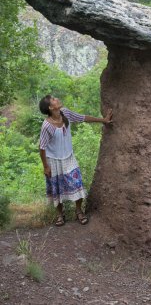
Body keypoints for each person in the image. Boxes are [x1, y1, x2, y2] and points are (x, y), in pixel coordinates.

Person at [39, 94, 112, 227]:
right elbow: (42, 147)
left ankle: (79, 211)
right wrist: (46, 167)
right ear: (50, 107)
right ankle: (60, 215)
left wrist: (103, 120)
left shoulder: (65, 113)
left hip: (69, 158)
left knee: (77, 183)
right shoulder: (47, 126)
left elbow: (82, 118)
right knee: (57, 188)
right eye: (54, 99)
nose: (57, 99)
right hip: (53, 161)